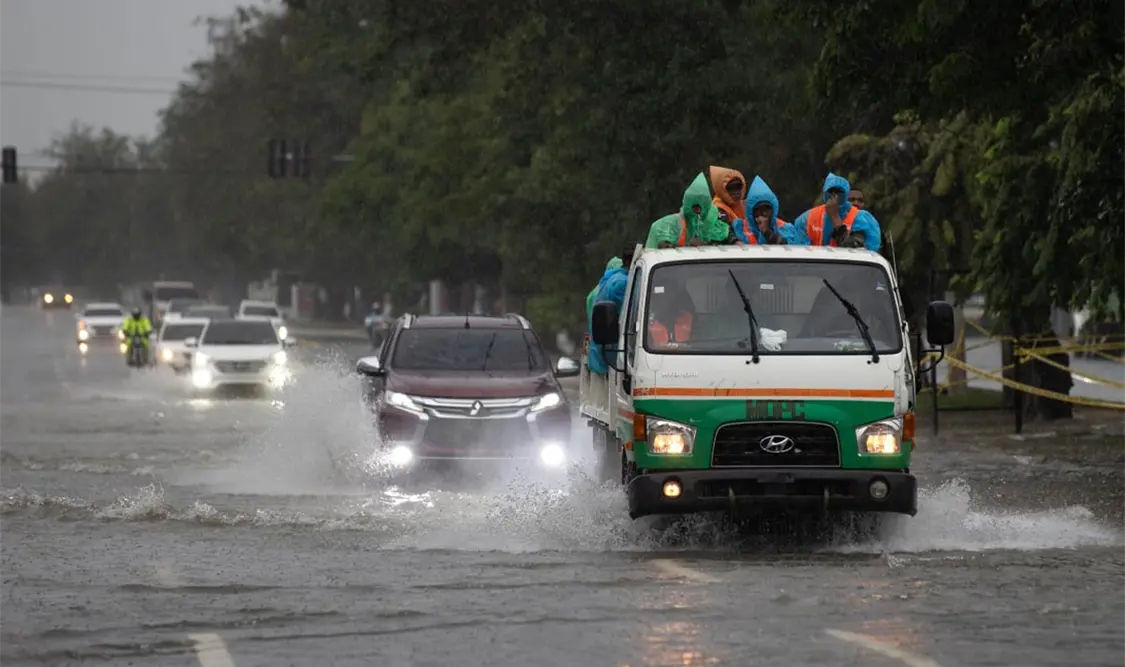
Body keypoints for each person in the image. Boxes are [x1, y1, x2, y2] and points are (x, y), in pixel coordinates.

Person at [790, 173, 882, 252]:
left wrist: (836, 221)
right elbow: (799, 252)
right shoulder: (809, 217)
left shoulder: (858, 217)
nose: (835, 197)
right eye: (831, 192)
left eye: (839, 192)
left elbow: (858, 253)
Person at [645, 172, 731, 248]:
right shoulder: (670, 224)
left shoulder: (715, 221)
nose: (698, 210)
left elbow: (726, 239)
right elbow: (663, 247)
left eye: (700, 207)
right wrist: (689, 245)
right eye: (695, 206)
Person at [587, 245, 636, 374]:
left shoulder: (613, 278)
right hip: (612, 357)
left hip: (606, 354)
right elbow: (632, 317)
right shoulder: (622, 284)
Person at [734, 176, 791, 245]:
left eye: (766, 209)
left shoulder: (784, 228)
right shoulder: (740, 228)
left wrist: (766, 232)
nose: (762, 213)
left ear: (773, 209)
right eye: (757, 210)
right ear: (751, 212)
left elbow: (790, 247)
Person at [708, 166, 748, 233]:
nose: (736, 192)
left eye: (738, 187)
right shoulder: (717, 209)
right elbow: (724, 232)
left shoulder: (744, 204)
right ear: (721, 189)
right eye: (731, 188)